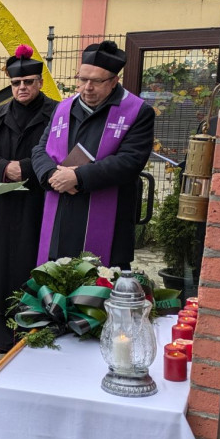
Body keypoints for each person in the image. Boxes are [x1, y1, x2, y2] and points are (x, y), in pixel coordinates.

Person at [31, 40, 155, 270]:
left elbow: (130, 161)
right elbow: (40, 149)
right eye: (82, 79)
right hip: (61, 214)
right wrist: (51, 174)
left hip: (109, 217)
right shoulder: (63, 109)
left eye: (96, 81)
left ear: (113, 81)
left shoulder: (137, 112)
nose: (87, 87)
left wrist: (78, 177)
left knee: (99, 292)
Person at [0, 45, 57, 353]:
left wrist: (28, 168)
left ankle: (32, 325)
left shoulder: (56, 114)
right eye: (16, 83)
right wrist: (4, 167)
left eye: (28, 82)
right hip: (4, 203)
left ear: (40, 83)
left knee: (34, 261)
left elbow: (62, 156)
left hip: (39, 203)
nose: (22, 88)